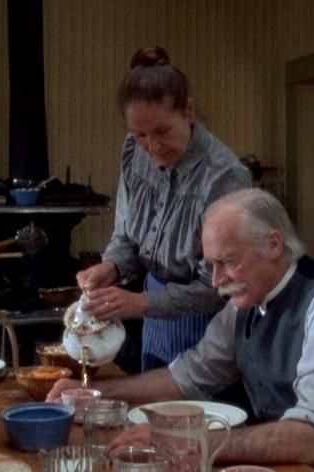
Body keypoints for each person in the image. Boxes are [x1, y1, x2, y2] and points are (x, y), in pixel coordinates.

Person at [49, 188, 314, 472]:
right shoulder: (245, 302)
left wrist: (190, 441)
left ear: (274, 245)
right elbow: (189, 375)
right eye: (212, 265)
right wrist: (94, 394)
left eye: (228, 261)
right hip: (280, 468)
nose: (217, 281)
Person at [76, 46, 251, 371]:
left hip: (209, 329)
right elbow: (126, 236)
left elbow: (220, 287)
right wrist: (111, 267)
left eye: (162, 132)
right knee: (151, 397)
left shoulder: (224, 177)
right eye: (140, 134)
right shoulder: (135, 153)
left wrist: (140, 303)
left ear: (189, 111)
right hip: (155, 326)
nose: (152, 146)